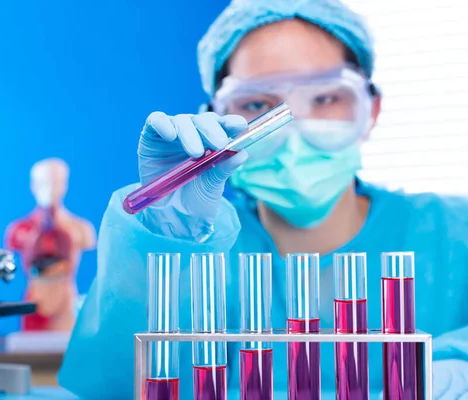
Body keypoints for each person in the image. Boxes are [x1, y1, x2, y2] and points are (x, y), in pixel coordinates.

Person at [59, 0, 468, 398]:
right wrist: (167, 240)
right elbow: (112, 387)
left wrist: (459, 362)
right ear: (219, 120)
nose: (294, 131)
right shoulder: (197, 247)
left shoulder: (454, 232)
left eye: (326, 98)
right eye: (257, 105)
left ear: (371, 109)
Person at [5, 158, 96, 332]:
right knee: (33, 355)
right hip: (34, 302)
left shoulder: (81, 228)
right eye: (43, 182)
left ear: (65, 184)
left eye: (55, 181)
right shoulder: (18, 230)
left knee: (67, 354)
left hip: (66, 304)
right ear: (33, 186)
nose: (50, 188)